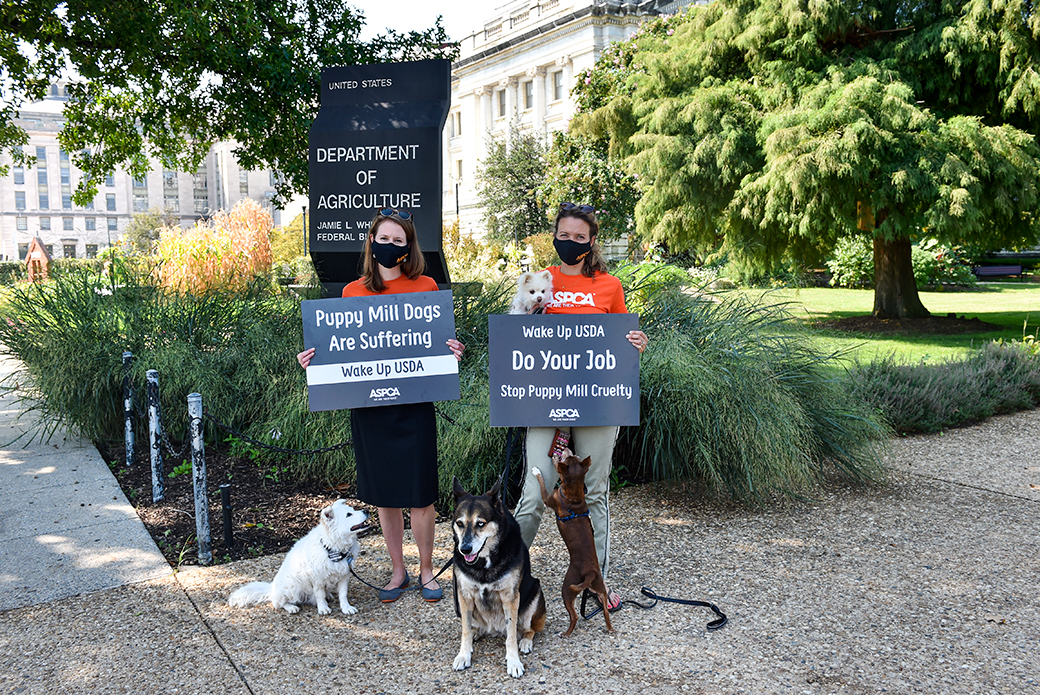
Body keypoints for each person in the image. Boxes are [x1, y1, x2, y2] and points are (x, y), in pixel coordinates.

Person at [297, 208, 465, 603]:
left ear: (408, 248)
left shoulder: (426, 287)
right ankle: (397, 572)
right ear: (371, 242)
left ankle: (426, 570)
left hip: (415, 405)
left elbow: (438, 345)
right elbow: (339, 349)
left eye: (398, 241)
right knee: (386, 496)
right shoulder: (351, 292)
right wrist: (313, 360)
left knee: (421, 495)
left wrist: (453, 351)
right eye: (383, 239)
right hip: (370, 410)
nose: (389, 246)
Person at [512, 202, 648, 610]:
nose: (569, 243)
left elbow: (624, 339)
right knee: (536, 491)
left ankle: (595, 581)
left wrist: (637, 344)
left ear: (591, 242)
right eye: (563, 235)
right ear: (554, 235)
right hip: (545, 398)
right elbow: (514, 338)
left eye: (578, 237)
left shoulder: (609, 285)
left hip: (598, 400)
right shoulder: (539, 280)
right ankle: (505, 579)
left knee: (594, 490)